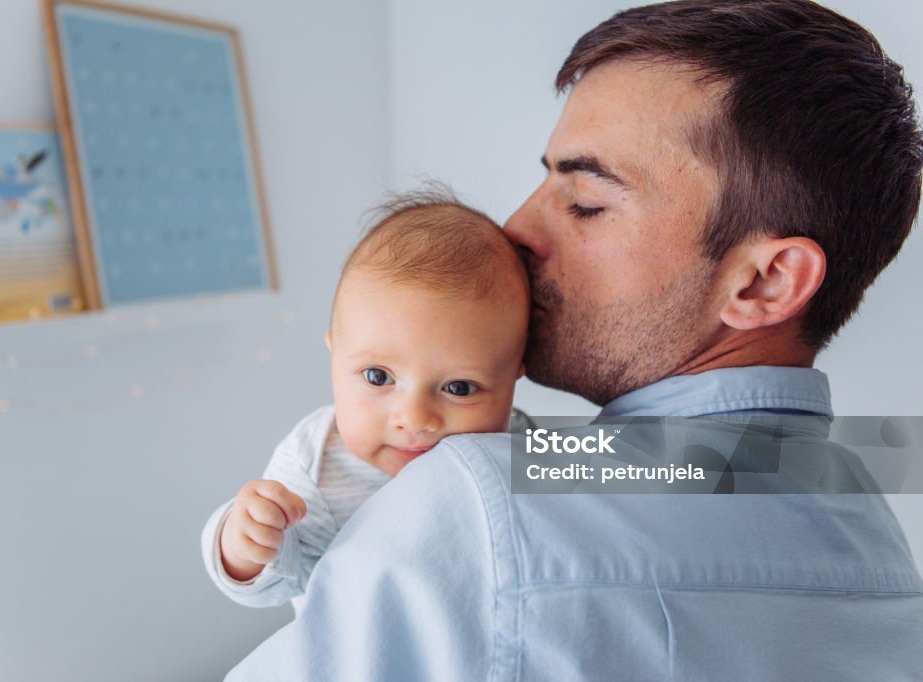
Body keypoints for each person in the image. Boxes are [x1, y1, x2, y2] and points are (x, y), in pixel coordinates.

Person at [223, 0, 923, 679]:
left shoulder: (476, 499)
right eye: (543, 181)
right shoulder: (874, 522)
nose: (515, 229)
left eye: (586, 201)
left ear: (766, 283)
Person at [201, 193, 530, 612]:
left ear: (515, 374)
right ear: (335, 356)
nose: (414, 419)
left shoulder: (517, 440)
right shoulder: (316, 464)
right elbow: (274, 586)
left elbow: (603, 482)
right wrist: (243, 543)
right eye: (379, 377)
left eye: (460, 388)